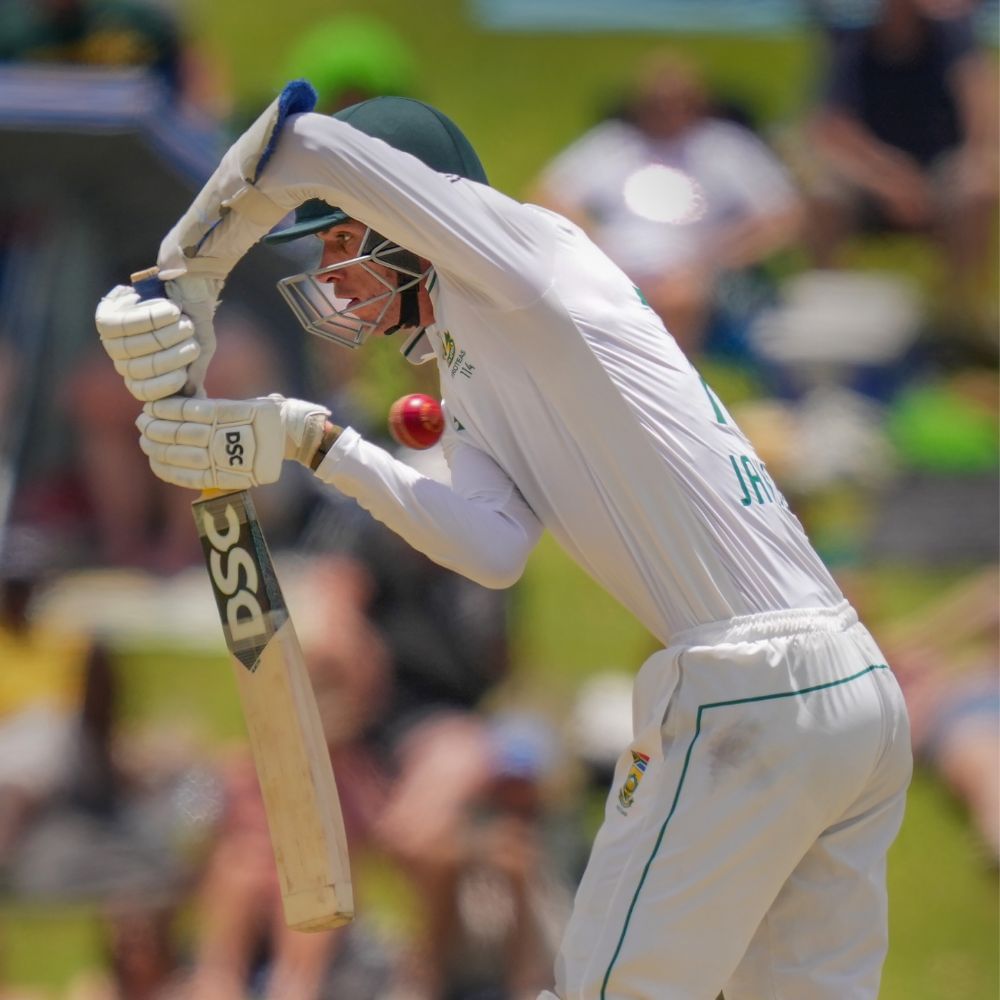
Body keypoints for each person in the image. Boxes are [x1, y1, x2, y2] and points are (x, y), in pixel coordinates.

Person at [93, 86, 913, 999]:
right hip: (849, 697)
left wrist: (183, 273)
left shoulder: (526, 256)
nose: (330, 271)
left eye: (338, 239)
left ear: (401, 217)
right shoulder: (475, 364)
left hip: (747, 686)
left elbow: (309, 141)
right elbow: (489, 548)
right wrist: (310, 438)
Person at [530, 52, 804, 357]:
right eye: (657, 103)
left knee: (677, 299)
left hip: (701, 272)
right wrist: (595, 246)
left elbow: (783, 214)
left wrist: (721, 254)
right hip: (617, 265)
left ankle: (668, 383)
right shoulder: (612, 144)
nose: (668, 112)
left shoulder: (725, 147)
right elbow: (547, 196)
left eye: (681, 101)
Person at [803, 0, 998, 336]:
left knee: (975, 186)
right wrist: (888, 179)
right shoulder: (854, 42)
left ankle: (958, 315)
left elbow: (980, 105)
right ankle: (829, 308)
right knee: (822, 191)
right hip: (874, 175)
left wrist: (980, 156)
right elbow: (832, 129)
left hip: (939, 171)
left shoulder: (952, 39)